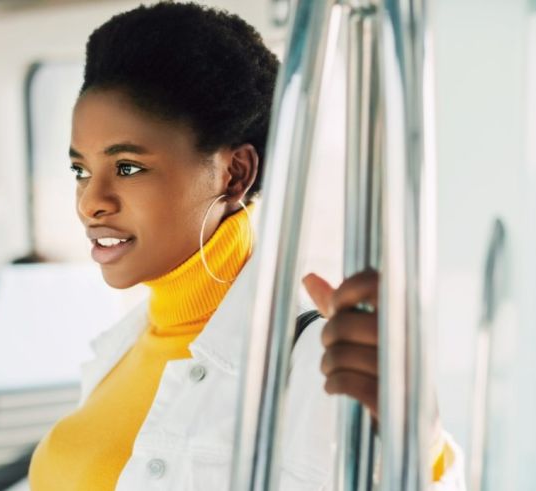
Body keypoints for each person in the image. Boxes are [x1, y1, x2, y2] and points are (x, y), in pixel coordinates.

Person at [28, 3, 464, 490]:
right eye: (80, 171)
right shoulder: (121, 346)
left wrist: (421, 444)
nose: (91, 202)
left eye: (128, 167)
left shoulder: (314, 363)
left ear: (235, 173)